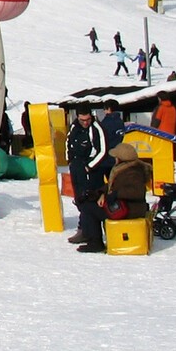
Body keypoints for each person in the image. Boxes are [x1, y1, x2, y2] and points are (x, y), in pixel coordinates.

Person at [66, 105, 109, 252]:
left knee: (91, 199)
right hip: (77, 166)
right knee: (79, 198)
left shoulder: (97, 128)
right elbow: (68, 142)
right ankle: (84, 229)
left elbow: (103, 150)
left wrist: (89, 166)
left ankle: (94, 234)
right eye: (82, 120)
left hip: (91, 168)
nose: (85, 122)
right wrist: (70, 160)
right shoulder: (74, 127)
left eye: (88, 119)